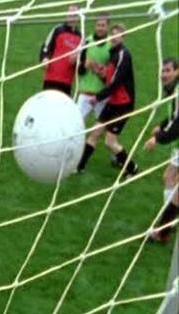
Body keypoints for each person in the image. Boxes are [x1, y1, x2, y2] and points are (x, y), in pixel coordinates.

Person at [76, 24, 138, 180]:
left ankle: (132, 169)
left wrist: (97, 98)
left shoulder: (124, 55)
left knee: (110, 142)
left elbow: (115, 83)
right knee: (94, 133)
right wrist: (97, 70)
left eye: (118, 35)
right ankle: (79, 167)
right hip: (113, 102)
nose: (115, 37)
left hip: (123, 104)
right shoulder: (113, 53)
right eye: (113, 34)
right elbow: (109, 79)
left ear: (124, 37)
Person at [144, 58, 178, 243]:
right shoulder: (172, 90)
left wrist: (158, 138)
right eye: (162, 70)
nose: (163, 74)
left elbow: (178, 124)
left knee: (177, 190)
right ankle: (169, 224)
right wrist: (162, 125)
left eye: (168, 70)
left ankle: (162, 233)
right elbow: (174, 116)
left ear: (177, 72)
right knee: (169, 178)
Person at [39, 5, 82, 95]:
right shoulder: (58, 30)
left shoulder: (80, 37)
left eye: (74, 14)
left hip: (67, 82)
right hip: (51, 78)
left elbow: (81, 63)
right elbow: (45, 47)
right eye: (70, 13)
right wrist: (44, 59)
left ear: (78, 17)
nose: (71, 16)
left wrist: (76, 60)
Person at [76, 14, 111, 120]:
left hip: (102, 96)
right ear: (95, 26)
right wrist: (84, 65)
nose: (100, 28)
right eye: (98, 25)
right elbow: (79, 71)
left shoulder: (111, 45)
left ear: (108, 27)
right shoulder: (87, 42)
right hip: (85, 94)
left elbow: (112, 74)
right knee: (76, 124)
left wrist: (97, 68)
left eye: (103, 25)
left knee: (105, 128)